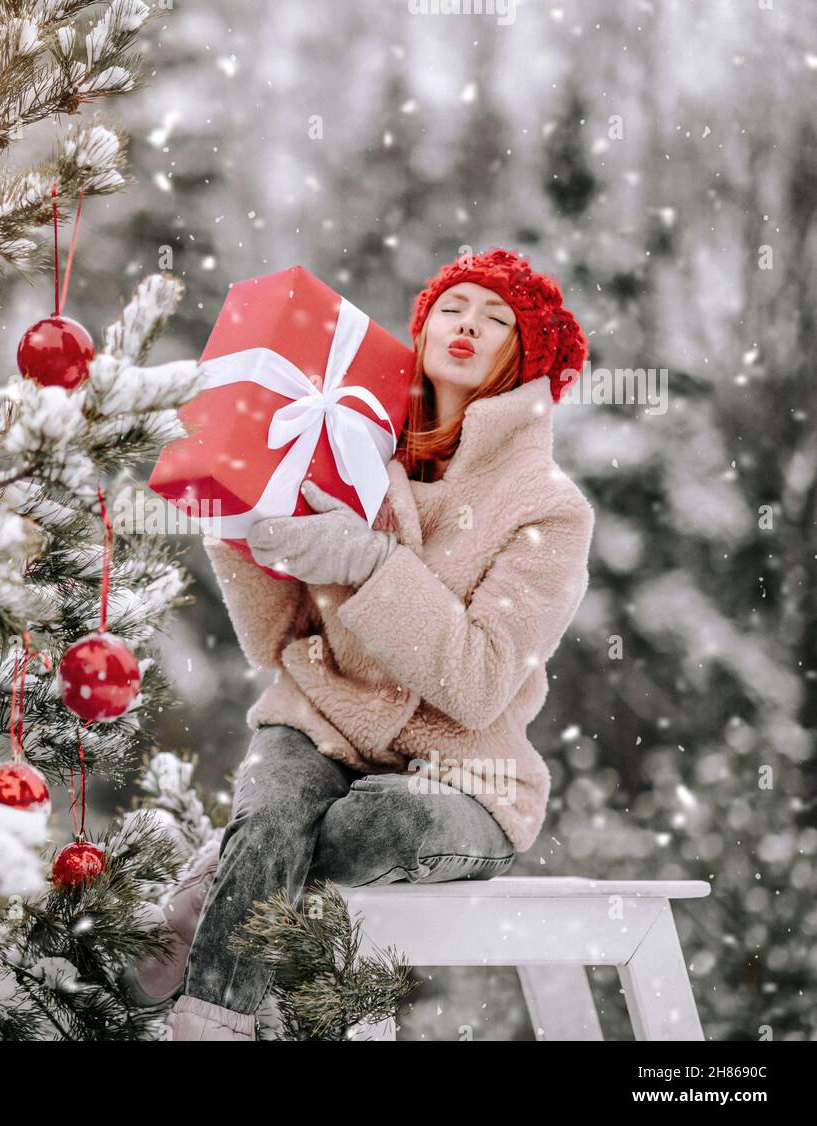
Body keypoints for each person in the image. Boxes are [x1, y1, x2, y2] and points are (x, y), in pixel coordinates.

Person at [129, 247, 595, 1041]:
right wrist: (241, 528)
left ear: (529, 358)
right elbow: (275, 641)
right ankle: (211, 1025)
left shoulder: (548, 508)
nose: (466, 325)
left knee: (364, 829)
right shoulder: (350, 449)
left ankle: (224, 874)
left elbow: (481, 680)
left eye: (494, 318)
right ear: (420, 330)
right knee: (279, 797)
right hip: (321, 722)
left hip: (464, 773)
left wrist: (375, 566)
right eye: (451, 309)